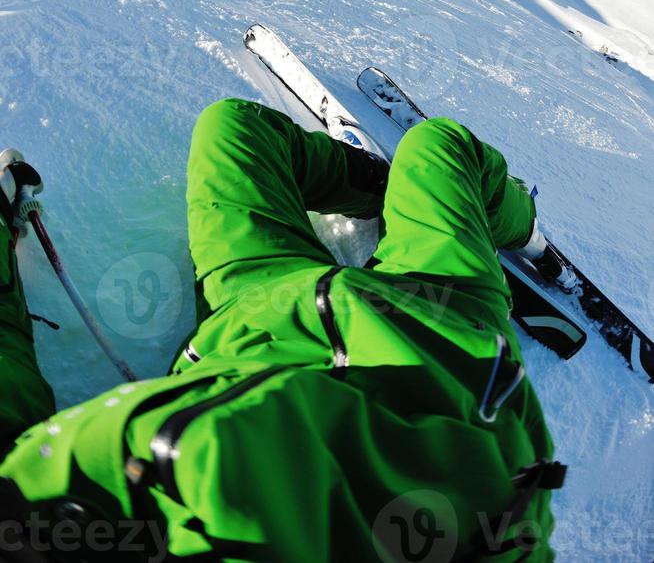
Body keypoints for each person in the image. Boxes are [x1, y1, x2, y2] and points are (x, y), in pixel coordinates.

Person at [0, 99, 564, 562]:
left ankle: (378, 187)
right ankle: (521, 227)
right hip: (437, 330)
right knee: (438, 147)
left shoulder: (23, 495)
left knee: (233, 130)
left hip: (256, 319)